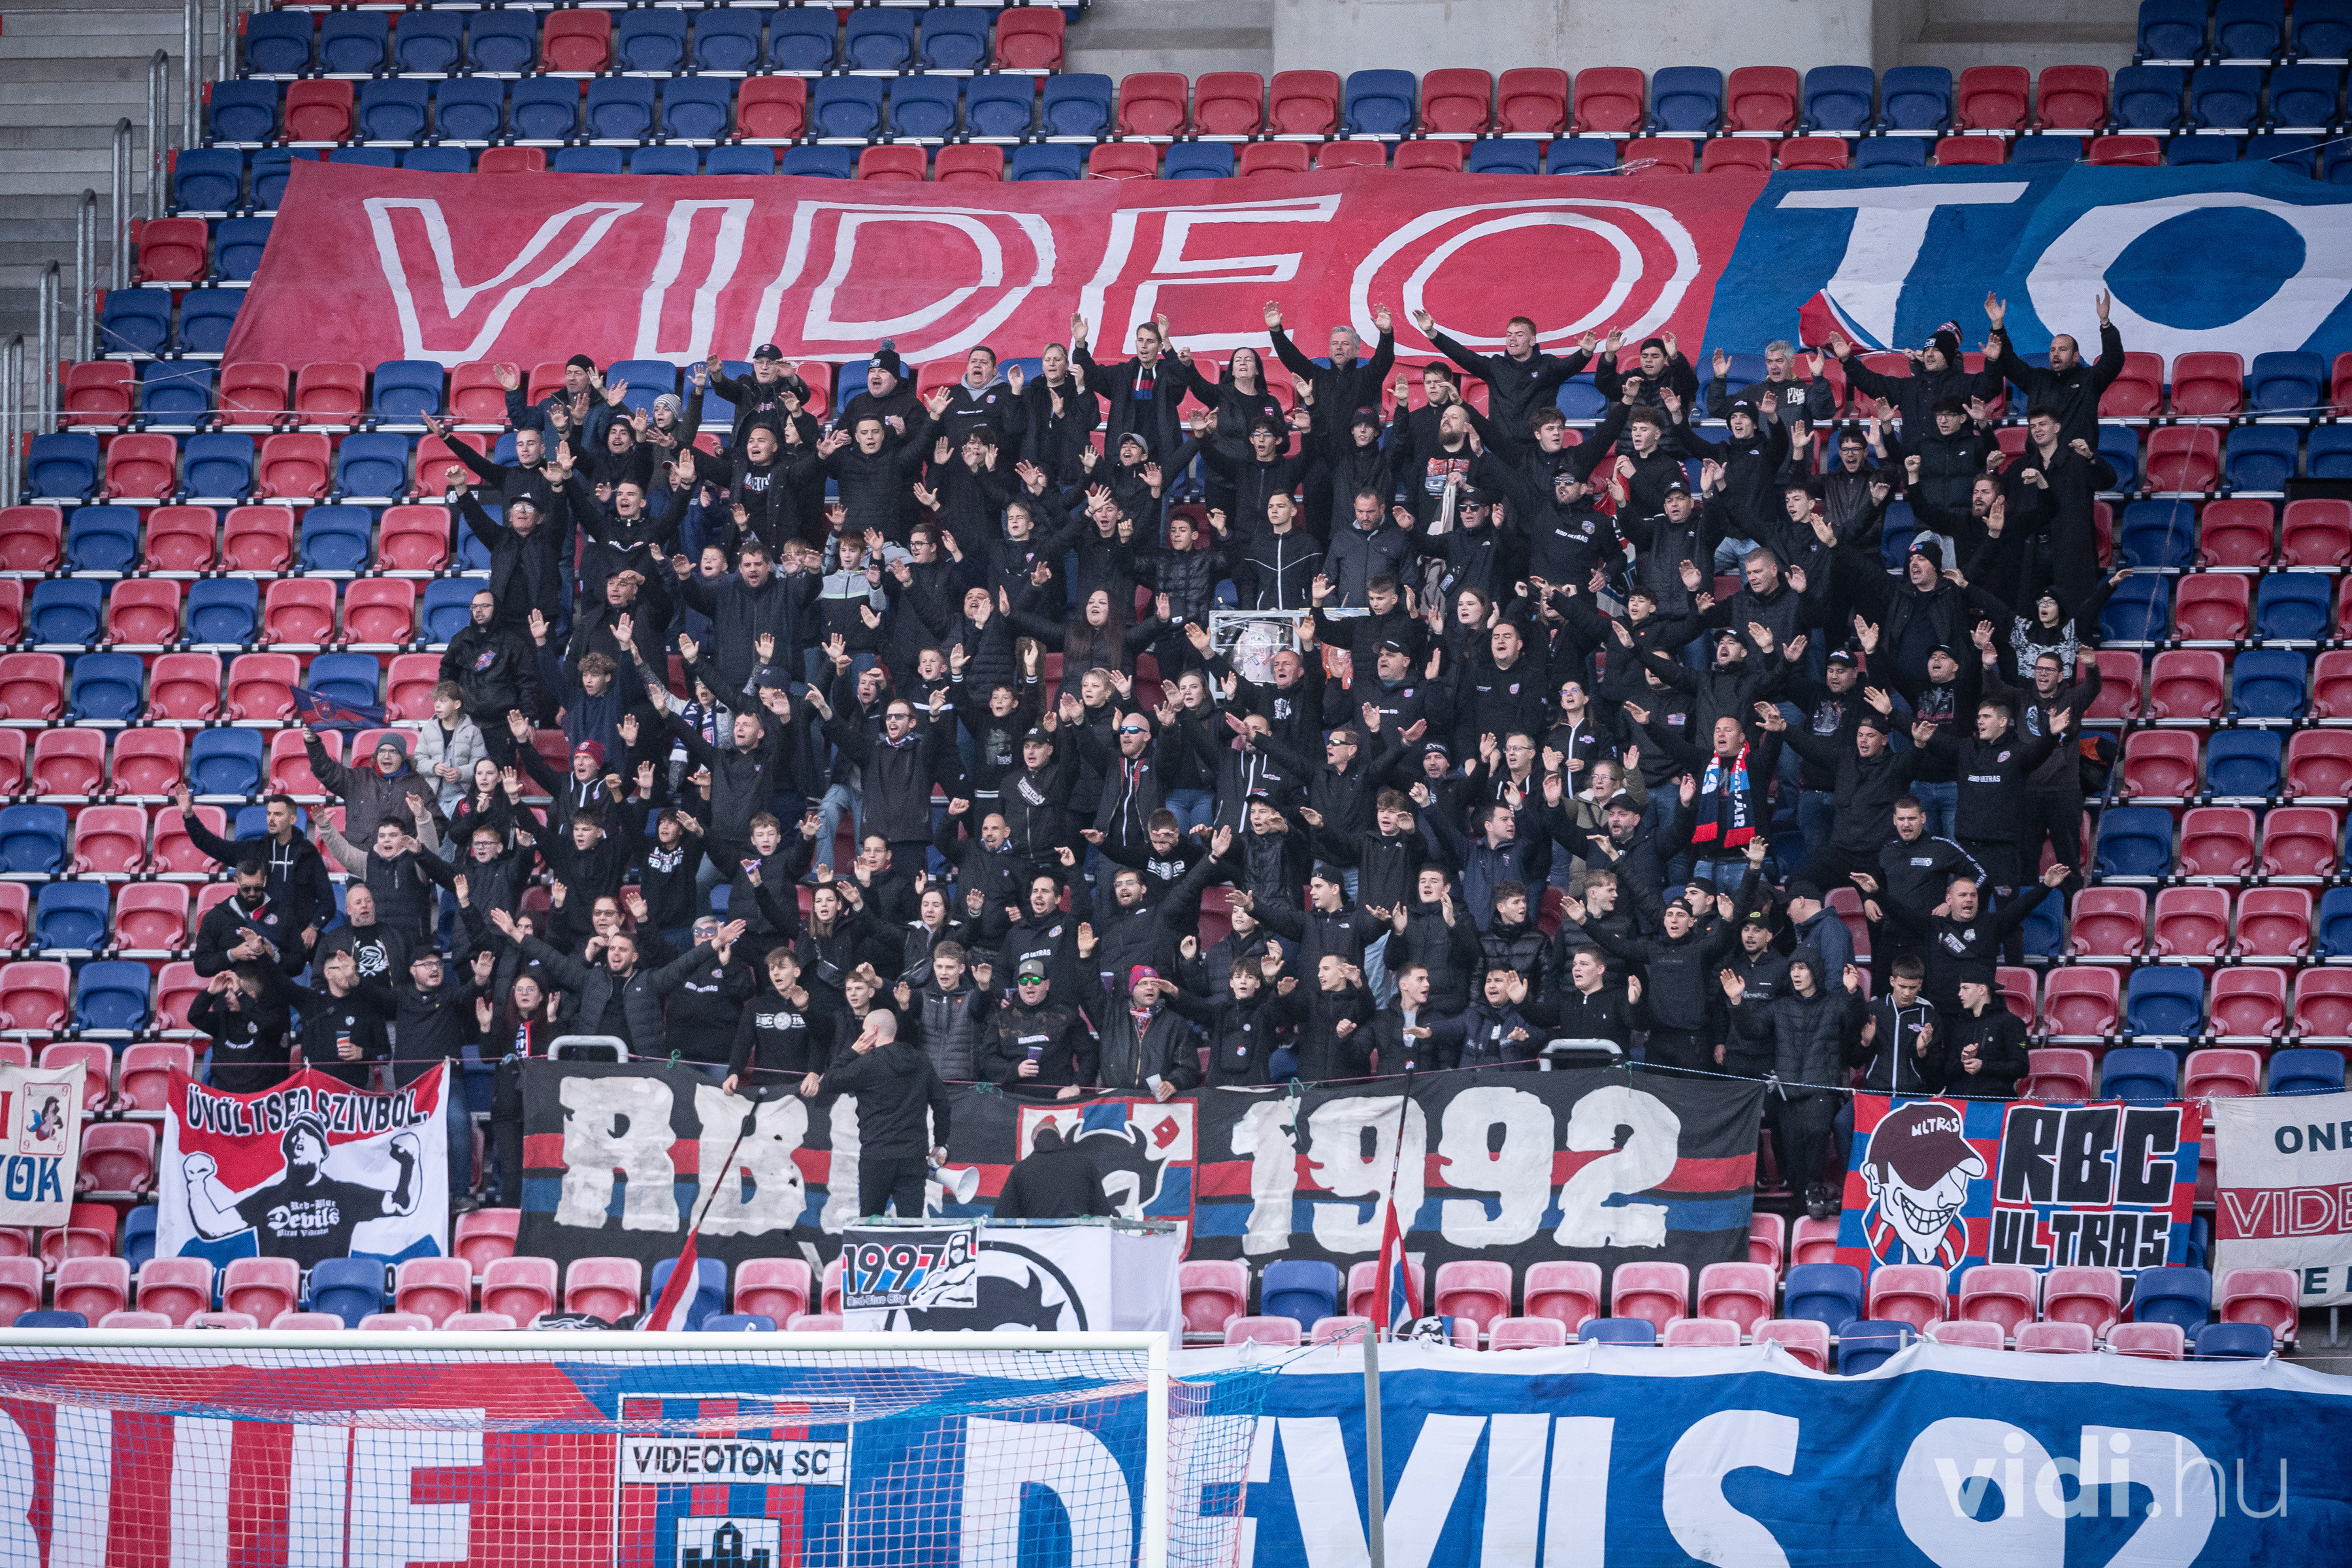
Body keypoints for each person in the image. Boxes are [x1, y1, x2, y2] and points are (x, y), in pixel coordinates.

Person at [1723, 949, 1864, 1220]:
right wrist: (1737, 1001)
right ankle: (1802, 1214)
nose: (1796, 974)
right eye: (1792, 969)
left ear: (1815, 972)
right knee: (1793, 1154)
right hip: (1787, 1092)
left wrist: (1852, 993)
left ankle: (1815, 1189)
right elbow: (1751, 1031)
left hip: (1821, 1088)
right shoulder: (1781, 1006)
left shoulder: (1835, 1003)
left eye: (1802, 968)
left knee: (1818, 1131)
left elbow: (1855, 1023)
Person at [804, 1009, 952, 1220]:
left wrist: (853, 1051)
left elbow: (829, 1081)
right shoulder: (921, 1061)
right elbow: (942, 1103)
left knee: (870, 1223)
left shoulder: (868, 1063)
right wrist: (940, 1142)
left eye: (864, 1031)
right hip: (913, 1155)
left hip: (877, 1155)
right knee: (912, 1225)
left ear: (873, 1030)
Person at [992, 1124, 1112, 1220]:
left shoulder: (1021, 1169)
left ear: (1034, 1142)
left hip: (1036, 1240)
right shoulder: (1085, 1164)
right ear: (1060, 1139)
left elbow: (1003, 1215)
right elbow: (1103, 1211)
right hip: (1077, 1239)